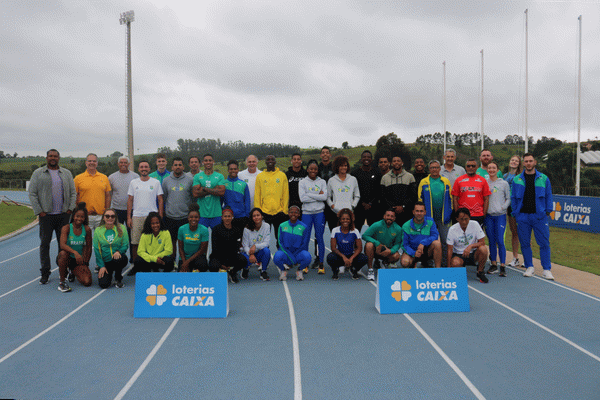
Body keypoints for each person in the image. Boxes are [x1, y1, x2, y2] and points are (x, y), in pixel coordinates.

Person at [28, 149, 77, 284]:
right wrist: (40, 211)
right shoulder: (38, 173)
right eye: (50, 156)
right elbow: (32, 193)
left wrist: (70, 209)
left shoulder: (66, 173)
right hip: (46, 216)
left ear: (59, 158)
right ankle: (45, 272)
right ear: (47, 158)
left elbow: (73, 193)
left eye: (55, 156)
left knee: (64, 246)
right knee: (45, 245)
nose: (53, 158)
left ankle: (65, 271)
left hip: (63, 215)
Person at [511, 153, 554, 280]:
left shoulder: (544, 178)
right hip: (523, 216)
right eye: (526, 161)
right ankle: (529, 267)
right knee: (525, 243)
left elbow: (549, 195)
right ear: (523, 163)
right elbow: (513, 197)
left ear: (534, 162)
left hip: (539, 216)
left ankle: (546, 269)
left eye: (530, 161)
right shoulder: (516, 179)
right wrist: (516, 212)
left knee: (544, 243)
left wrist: (547, 211)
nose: (528, 163)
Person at [127, 160, 163, 264]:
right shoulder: (133, 182)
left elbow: (160, 199)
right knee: (135, 243)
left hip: (152, 217)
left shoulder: (155, 182)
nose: (144, 169)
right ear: (138, 169)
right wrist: (129, 217)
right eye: (141, 167)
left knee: (153, 242)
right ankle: (136, 265)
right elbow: (130, 200)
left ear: (149, 169)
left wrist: (160, 216)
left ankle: (153, 264)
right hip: (137, 216)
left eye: (146, 167)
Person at [418, 160, 452, 267]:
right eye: (432, 167)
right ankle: (427, 262)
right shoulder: (424, 182)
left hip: (443, 217)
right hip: (428, 218)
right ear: (429, 169)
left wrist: (449, 212)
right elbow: (420, 199)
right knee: (429, 242)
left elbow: (450, 198)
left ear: (440, 169)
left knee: (444, 241)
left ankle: (444, 263)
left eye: (436, 167)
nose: (434, 170)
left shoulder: (445, 181)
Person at [298, 160, 328, 274]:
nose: (313, 171)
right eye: (311, 169)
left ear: (317, 170)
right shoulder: (302, 182)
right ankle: (305, 263)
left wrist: (308, 194)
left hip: (319, 212)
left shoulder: (322, 182)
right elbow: (302, 199)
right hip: (306, 213)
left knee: (319, 238)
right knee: (305, 239)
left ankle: (321, 264)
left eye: (315, 169)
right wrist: (317, 195)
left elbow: (324, 197)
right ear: (307, 169)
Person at [56, 203, 92, 292]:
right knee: (63, 253)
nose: (79, 219)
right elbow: (62, 245)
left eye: (82, 217)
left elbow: (89, 248)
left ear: (85, 218)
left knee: (87, 282)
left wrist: (86, 263)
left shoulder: (87, 229)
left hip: (78, 261)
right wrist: (75, 252)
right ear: (73, 216)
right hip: (67, 258)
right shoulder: (66, 228)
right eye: (77, 216)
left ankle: (73, 271)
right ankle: (62, 282)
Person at [446, 208, 489, 283]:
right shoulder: (452, 229)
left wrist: (470, 246)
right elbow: (449, 249)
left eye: (466, 219)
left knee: (483, 249)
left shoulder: (475, 224)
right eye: (461, 219)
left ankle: (480, 272)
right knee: (455, 263)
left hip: (473, 253)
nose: (464, 222)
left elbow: (482, 242)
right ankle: (460, 267)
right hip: (459, 255)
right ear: (457, 219)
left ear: (469, 218)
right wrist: (449, 268)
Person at [162, 157, 194, 256]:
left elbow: (193, 198)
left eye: (180, 165)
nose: (178, 167)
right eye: (175, 165)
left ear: (183, 167)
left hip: (185, 217)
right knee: (172, 242)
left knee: (185, 242)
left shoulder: (190, 180)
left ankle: (184, 262)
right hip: (170, 217)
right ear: (172, 167)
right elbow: (164, 198)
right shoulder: (166, 180)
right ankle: (173, 263)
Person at [108, 156, 138, 259]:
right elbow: (109, 194)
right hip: (117, 210)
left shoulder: (135, 176)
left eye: (126, 162)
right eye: (121, 162)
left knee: (132, 237)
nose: (123, 164)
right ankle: (119, 257)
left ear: (129, 164)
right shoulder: (111, 177)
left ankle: (133, 260)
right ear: (118, 164)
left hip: (132, 211)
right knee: (118, 236)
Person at [485, 162, 511, 277]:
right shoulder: (485, 183)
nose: (491, 170)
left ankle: (503, 265)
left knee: (500, 241)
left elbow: (508, 199)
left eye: (493, 168)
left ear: (497, 170)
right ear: (487, 170)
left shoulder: (504, 183)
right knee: (491, 241)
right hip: (489, 216)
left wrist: (502, 208)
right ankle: (494, 264)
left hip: (500, 216)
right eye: (489, 168)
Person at [254, 155, 289, 242]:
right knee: (263, 239)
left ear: (275, 161)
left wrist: (284, 211)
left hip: (279, 212)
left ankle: (281, 255)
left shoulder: (282, 175)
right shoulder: (260, 176)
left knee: (280, 239)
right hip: (265, 213)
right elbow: (257, 195)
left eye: (272, 159)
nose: (270, 161)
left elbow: (285, 194)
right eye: (268, 160)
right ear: (265, 162)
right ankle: (264, 255)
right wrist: (258, 212)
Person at [327, 208, 368, 280]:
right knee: (330, 257)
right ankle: (335, 271)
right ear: (340, 220)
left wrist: (351, 258)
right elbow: (333, 248)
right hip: (340, 256)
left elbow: (359, 248)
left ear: (350, 220)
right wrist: (344, 257)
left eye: (347, 219)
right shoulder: (335, 230)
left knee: (364, 258)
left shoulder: (355, 231)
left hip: (351, 255)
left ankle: (354, 269)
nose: (345, 221)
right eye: (343, 219)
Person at [362, 209, 403, 281]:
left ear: (394, 218)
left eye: (392, 216)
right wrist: (377, 243)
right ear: (384, 216)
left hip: (386, 251)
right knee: (369, 245)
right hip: (375, 250)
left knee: (396, 256)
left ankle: (384, 263)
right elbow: (365, 235)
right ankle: (370, 269)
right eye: (388, 215)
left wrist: (390, 251)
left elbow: (398, 243)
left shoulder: (398, 229)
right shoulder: (376, 225)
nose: (389, 218)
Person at [93, 208, 129, 288]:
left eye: (112, 216)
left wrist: (119, 251)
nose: (110, 218)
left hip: (118, 258)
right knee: (103, 284)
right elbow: (97, 250)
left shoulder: (122, 228)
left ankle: (118, 278)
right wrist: (101, 266)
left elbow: (125, 244)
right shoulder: (98, 230)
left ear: (115, 218)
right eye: (107, 216)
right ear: (103, 218)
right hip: (106, 262)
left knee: (118, 259)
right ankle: (108, 272)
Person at [74, 153, 111, 230]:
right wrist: (78, 212)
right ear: (86, 163)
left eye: (94, 161)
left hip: (100, 216)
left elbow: (107, 196)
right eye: (89, 161)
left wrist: (106, 212)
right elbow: (75, 196)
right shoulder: (78, 178)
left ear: (97, 163)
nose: (92, 163)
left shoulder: (104, 178)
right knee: (85, 241)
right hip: (85, 216)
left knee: (101, 240)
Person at [273, 205, 311, 281]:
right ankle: (283, 270)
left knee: (307, 257)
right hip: (286, 253)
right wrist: (290, 255)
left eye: (296, 212)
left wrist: (294, 256)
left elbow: (304, 243)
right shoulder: (282, 225)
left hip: (297, 253)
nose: (293, 214)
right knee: (276, 257)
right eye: (291, 212)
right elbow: (280, 242)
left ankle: (299, 270)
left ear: (299, 214)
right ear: (288, 213)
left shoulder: (304, 227)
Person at [400, 202, 442, 269]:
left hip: (427, 250)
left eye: (421, 211)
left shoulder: (430, 222)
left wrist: (423, 243)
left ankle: (438, 270)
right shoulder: (406, 226)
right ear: (413, 212)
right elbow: (404, 245)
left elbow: (435, 236)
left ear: (425, 212)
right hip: (412, 252)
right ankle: (412, 266)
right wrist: (414, 253)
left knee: (437, 243)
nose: (419, 213)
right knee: (405, 262)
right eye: (417, 211)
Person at [209, 207, 246, 283]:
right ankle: (222, 269)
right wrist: (222, 264)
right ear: (222, 217)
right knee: (213, 266)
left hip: (231, 257)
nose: (227, 218)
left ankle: (232, 271)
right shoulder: (216, 229)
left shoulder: (237, 230)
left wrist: (229, 262)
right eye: (225, 216)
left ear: (232, 217)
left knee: (243, 260)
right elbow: (215, 248)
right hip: (219, 257)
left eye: (229, 216)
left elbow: (237, 247)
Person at [451, 158, 491, 227]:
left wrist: (483, 214)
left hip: (478, 215)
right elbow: (455, 198)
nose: (471, 168)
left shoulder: (482, 180)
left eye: (473, 166)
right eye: (468, 166)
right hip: (463, 215)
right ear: (465, 167)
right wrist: (458, 213)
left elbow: (486, 199)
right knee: (463, 236)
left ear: (477, 167)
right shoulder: (459, 180)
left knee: (477, 237)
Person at [193, 153, 226, 229]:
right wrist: (214, 189)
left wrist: (204, 188)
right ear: (203, 162)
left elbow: (222, 192)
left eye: (210, 160)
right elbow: (195, 193)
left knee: (216, 239)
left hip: (216, 213)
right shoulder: (197, 176)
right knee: (202, 239)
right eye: (206, 160)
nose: (208, 162)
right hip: (201, 214)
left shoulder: (219, 176)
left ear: (213, 162)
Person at [381, 155, 416, 226]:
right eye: (394, 161)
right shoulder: (385, 178)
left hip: (406, 213)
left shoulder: (410, 177)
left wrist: (403, 206)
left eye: (398, 161)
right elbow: (383, 196)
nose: (396, 162)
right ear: (391, 163)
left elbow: (413, 195)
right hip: (391, 214)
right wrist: (393, 207)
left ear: (402, 163)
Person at [327, 155, 360, 228]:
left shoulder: (353, 179)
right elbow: (328, 197)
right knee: (335, 236)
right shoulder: (331, 180)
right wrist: (333, 207)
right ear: (337, 167)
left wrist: (352, 206)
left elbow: (357, 195)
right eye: (341, 165)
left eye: (345, 165)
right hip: (335, 213)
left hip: (349, 213)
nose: (344, 167)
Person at [351, 150, 382, 229]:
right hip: (359, 207)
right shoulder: (355, 174)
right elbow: (353, 191)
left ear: (371, 159)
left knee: (374, 232)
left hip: (373, 208)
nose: (366, 158)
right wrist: (362, 203)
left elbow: (379, 190)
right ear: (361, 159)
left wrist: (371, 203)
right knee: (356, 230)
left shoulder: (377, 173)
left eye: (368, 157)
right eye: (364, 157)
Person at [241, 208, 272, 281]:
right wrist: (251, 254)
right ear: (251, 218)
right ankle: (245, 269)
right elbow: (245, 245)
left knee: (267, 251)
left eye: (258, 215)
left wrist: (255, 246)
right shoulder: (247, 228)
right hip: (249, 252)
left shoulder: (266, 226)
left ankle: (263, 271)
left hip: (259, 252)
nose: (256, 217)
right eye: (254, 216)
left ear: (262, 216)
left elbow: (266, 243)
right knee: (242, 258)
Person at [177, 204, 209, 272]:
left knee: (203, 266)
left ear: (199, 218)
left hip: (197, 257)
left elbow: (202, 250)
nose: (193, 219)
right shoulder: (181, 229)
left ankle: (194, 268)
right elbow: (180, 248)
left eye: (196, 217)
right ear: (188, 218)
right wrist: (184, 262)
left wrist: (187, 263)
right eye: (191, 217)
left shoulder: (204, 230)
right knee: (181, 274)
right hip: (184, 257)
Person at [504, 155, 523, 268]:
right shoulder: (505, 175)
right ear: (509, 162)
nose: (514, 162)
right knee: (514, 232)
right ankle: (515, 258)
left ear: (519, 163)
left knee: (524, 232)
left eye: (516, 161)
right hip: (509, 207)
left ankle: (527, 258)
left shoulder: (521, 176)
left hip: (520, 206)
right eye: (512, 160)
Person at [223, 159, 251, 230]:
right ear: (228, 170)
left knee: (240, 239)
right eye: (231, 169)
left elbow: (247, 201)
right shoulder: (223, 183)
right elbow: (220, 200)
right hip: (228, 217)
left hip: (241, 217)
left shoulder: (243, 184)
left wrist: (247, 216)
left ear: (238, 170)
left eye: (235, 169)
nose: (233, 171)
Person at [318, 146, 337, 234]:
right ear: (321, 155)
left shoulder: (335, 168)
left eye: (327, 152)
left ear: (330, 155)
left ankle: (336, 248)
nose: (325, 154)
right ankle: (317, 248)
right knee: (319, 232)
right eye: (323, 152)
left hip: (332, 203)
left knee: (334, 230)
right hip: (320, 204)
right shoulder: (317, 168)